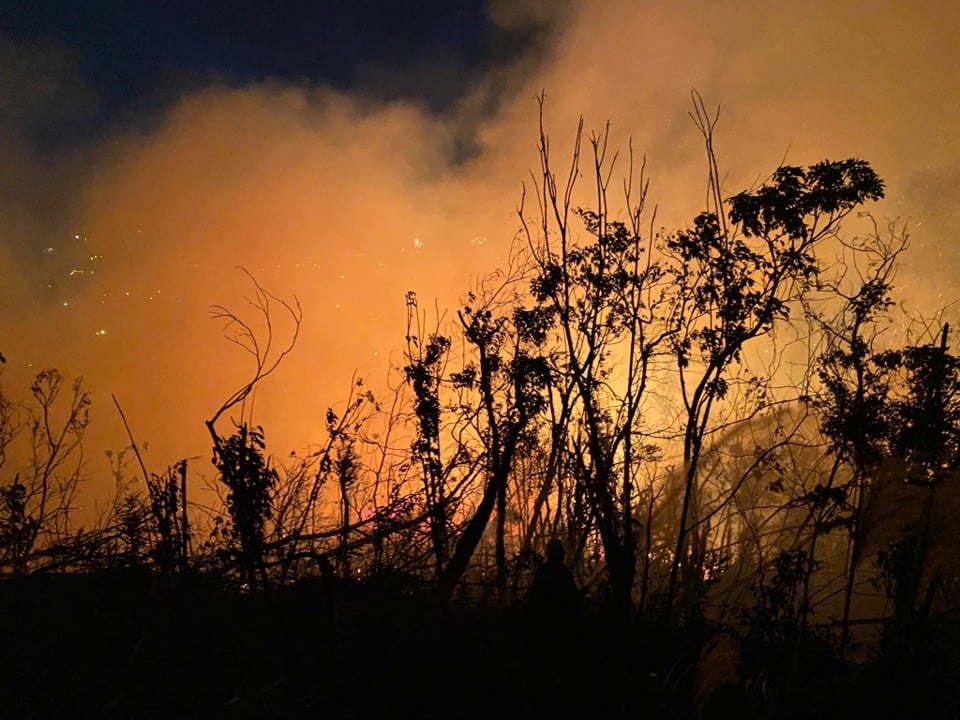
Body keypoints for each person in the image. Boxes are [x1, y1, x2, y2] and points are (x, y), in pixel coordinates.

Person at [525, 539, 581, 621]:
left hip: (545, 618)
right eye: (560, 552)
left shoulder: (543, 570)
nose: (563, 554)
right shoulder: (562, 571)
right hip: (557, 617)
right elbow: (571, 596)